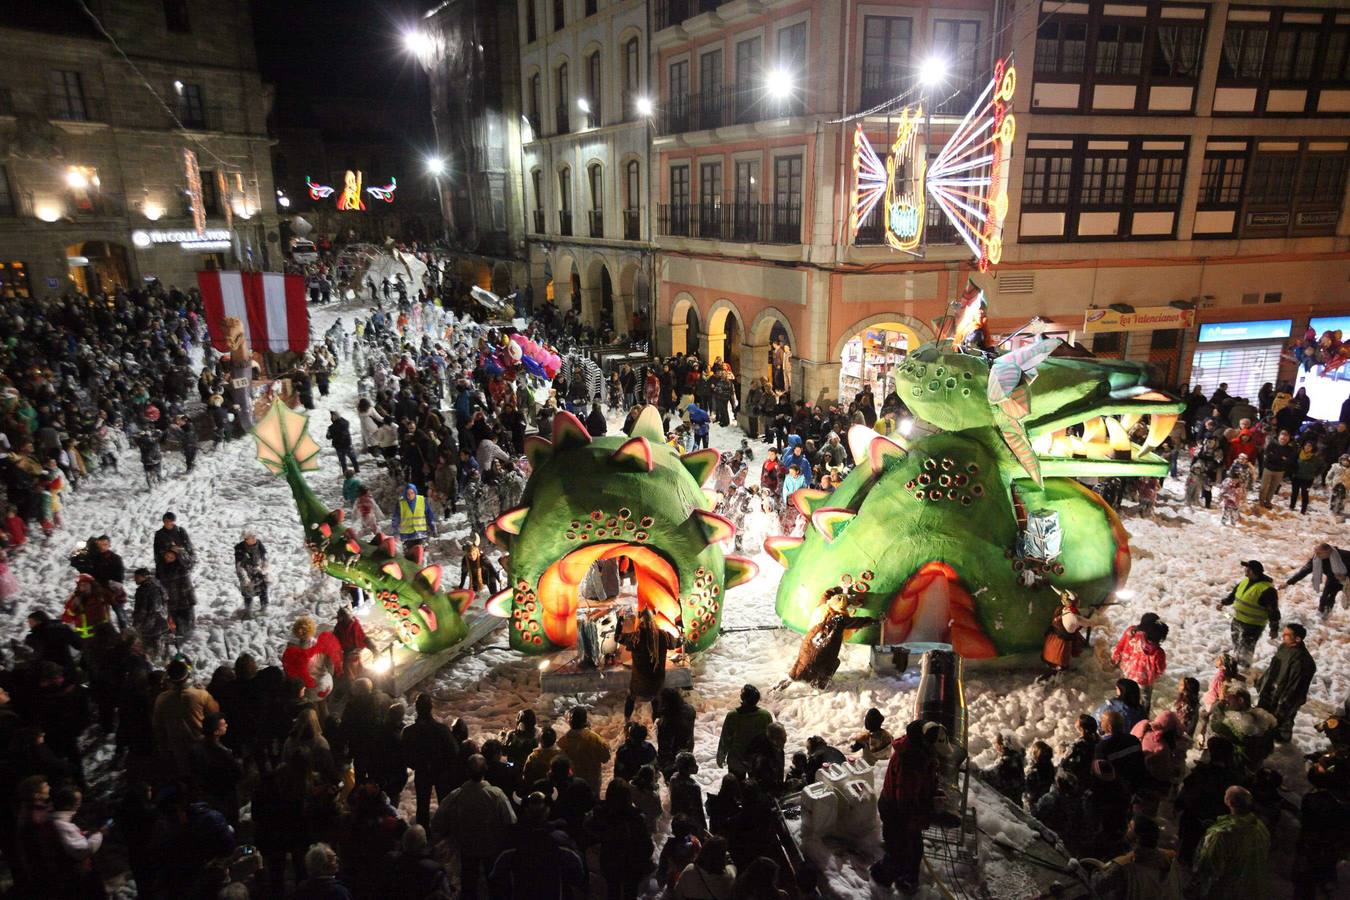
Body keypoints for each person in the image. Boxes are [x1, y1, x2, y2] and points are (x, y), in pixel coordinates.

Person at [432, 754, 517, 900]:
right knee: (494, 883)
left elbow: (437, 821)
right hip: (492, 847)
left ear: (467, 772)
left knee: (469, 884)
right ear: (485, 771)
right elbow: (511, 820)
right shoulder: (496, 795)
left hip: (467, 847)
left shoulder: (457, 795)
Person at [872, 720, 942, 893]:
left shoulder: (921, 752)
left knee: (913, 847)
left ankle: (908, 878)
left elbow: (925, 780)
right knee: (898, 848)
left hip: (905, 809)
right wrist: (925, 811)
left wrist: (933, 793)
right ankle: (882, 878)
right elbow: (905, 798)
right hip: (896, 811)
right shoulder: (909, 760)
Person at [1190, 786, 1269, 900]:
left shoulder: (1222, 834)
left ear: (1229, 802)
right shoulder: (1261, 827)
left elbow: (1208, 867)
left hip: (1227, 891)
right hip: (1252, 889)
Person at [787, 588, 875, 688]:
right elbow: (859, 622)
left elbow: (825, 596)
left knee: (799, 669)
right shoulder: (840, 619)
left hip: (809, 646)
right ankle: (820, 685)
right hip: (823, 651)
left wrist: (838, 589)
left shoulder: (823, 608)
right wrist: (876, 621)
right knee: (831, 664)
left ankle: (781, 686)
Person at [586, 778, 654, 900]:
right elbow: (647, 845)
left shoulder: (601, 813)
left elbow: (588, 827)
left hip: (610, 860)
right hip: (632, 863)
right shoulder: (636, 817)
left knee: (613, 890)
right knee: (630, 892)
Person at [153, 658, 220, 779]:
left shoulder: (162, 699)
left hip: (177, 749)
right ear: (187, 676)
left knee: (186, 780)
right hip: (200, 745)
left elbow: (158, 726)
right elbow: (215, 712)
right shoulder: (201, 695)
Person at [1087, 814, 1182, 899]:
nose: (1127, 828)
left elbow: (1097, 885)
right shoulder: (1168, 858)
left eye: (1130, 828)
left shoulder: (1124, 865)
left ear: (1138, 838)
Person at [401, 692, 457, 830]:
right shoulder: (441, 730)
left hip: (422, 771)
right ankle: (444, 830)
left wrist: (417, 764)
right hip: (440, 771)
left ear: (416, 708)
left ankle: (423, 833)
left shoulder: (409, 732)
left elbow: (404, 754)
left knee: (422, 805)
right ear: (431, 707)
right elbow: (454, 751)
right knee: (443, 802)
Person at [1255, 623, 1316, 743]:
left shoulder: (1302, 661)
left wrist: (1283, 706)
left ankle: (1282, 747)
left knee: (1280, 726)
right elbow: (1273, 667)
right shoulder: (1284, 647)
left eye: (1286, 634)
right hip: (1270, 693)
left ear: (1297, 639)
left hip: (1283, 701)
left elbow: (1295, 688)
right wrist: (1262, 683)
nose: (1283, 636)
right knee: (1262, 721)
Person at [48, 785, 109, 899]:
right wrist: (99, 834)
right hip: (79, 874)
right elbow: (84, 849)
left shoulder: (60, 822)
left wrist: (84, 834)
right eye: (77, 802)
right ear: (67, 805)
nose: (79, 805)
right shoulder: (61, 825)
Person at [618, 609, 680, 720]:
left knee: (630, 697)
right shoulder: (663, 636)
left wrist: (620, 619)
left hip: (638, 685)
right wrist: (679, 625)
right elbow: (678, 642)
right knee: (656, 698)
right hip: (657, 683)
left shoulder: (635, 638)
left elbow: (617, 637)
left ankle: (627, 721)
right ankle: (656, 723)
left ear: (640, 621)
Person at [1218, 560, 1280, 665]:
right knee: (1237, 646)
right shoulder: (1245, 582)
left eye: (1247, 568)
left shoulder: (1267, 590)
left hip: (1253, 625)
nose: (1245, 570)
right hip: (1237, 619)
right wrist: (1223, 603)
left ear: (1252, 571)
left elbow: (1273, 611)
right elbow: (1233, 595)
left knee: (1246, 650)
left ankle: (1243, 669)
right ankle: (1236, 665)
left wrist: (1274, 629)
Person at [1111, 613, 1168, 709]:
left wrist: (1115, 658)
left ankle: (1123, 710)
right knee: (1144, 700)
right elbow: (1160, 669)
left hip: (1128, 671)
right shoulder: (1158, 652)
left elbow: (1120, 645)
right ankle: (1141, 718)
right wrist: (1156, 674)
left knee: (1125, 692)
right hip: (1144, 681)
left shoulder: (1132, 633)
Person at [717, 684, 773, 779]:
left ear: (742, 698)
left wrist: (721, 756)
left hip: (737, 759)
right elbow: (770, 738)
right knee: (754, 788)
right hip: (757, 759)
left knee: (737, 789)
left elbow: (725, 738)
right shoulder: (765, 716)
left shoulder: (733, 716)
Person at [1285, 542, 1350, 621]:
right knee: (1325, 598)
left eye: (1319, 553)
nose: (1317, 555)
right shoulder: (1318, 558)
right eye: (1316, 552)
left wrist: (1346, 576)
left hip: (1347, 581)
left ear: (1328, 552)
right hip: (1332, 580)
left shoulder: (1345, 555)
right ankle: (1322, 617)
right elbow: (1305, 570)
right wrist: (1288, 582)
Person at [556, 706, 611, 794]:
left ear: (570, 722)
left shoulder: (562, 742)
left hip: (571, 785)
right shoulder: (594, 738)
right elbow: (606, 757)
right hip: (592, 784)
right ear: (585, 720)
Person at [675, 836, 737, 900]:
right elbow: (732, 865)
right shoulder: (729, 877)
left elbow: (678, 893)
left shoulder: (690, 870)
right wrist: (724, 852)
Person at [391, 483, 437, 563]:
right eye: (408, 494)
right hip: (407, 535)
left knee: (421, 554)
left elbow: (429, 515)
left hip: (420, 533)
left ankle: (421, 569)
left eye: (412, 493)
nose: (410, 495)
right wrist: (395, 532)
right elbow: (396, 517)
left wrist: (433, 527)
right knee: (408, 556)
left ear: (415, 492)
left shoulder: (422, 500)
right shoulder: (401, 503)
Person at [233, 529, 269, 613]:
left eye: (254, 536)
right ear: (246, 539)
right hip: (246, 572)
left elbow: (265, 557)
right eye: (251, 537)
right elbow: (239, 566)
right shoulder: (240, 548)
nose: (254, 538)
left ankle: (264, 607)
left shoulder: (259, 544)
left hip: (258, 570)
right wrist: (244, 578)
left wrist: (264, 568)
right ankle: (248, 609)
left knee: (263, 589)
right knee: (247, 592)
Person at [1258, 430, 1296, 507]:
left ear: (1288, 439)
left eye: (1285, 439)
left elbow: (1289, 460)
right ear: (1279, 437)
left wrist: (1276, 457)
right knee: (1263, 487)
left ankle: (1268, 501)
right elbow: (1268, 456)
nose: (1283, 440)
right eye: (1282, 438)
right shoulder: (1272, 445)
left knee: (1273, 488)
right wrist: (1281, 458)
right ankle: (1261, 502)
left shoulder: (1289, 449)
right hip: (1268, 469)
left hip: (1280, 471)